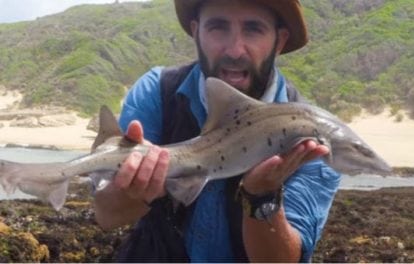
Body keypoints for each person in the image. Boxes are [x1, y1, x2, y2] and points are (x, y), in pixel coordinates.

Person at [94, 0, 341, 262]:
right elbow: (107, 215)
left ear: (279, 41)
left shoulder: (313, 137)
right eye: (218, 27)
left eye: (253, 29)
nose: (234, 50)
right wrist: (135, 192)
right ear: (196, 32)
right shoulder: (157, 92)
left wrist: (261, 197)